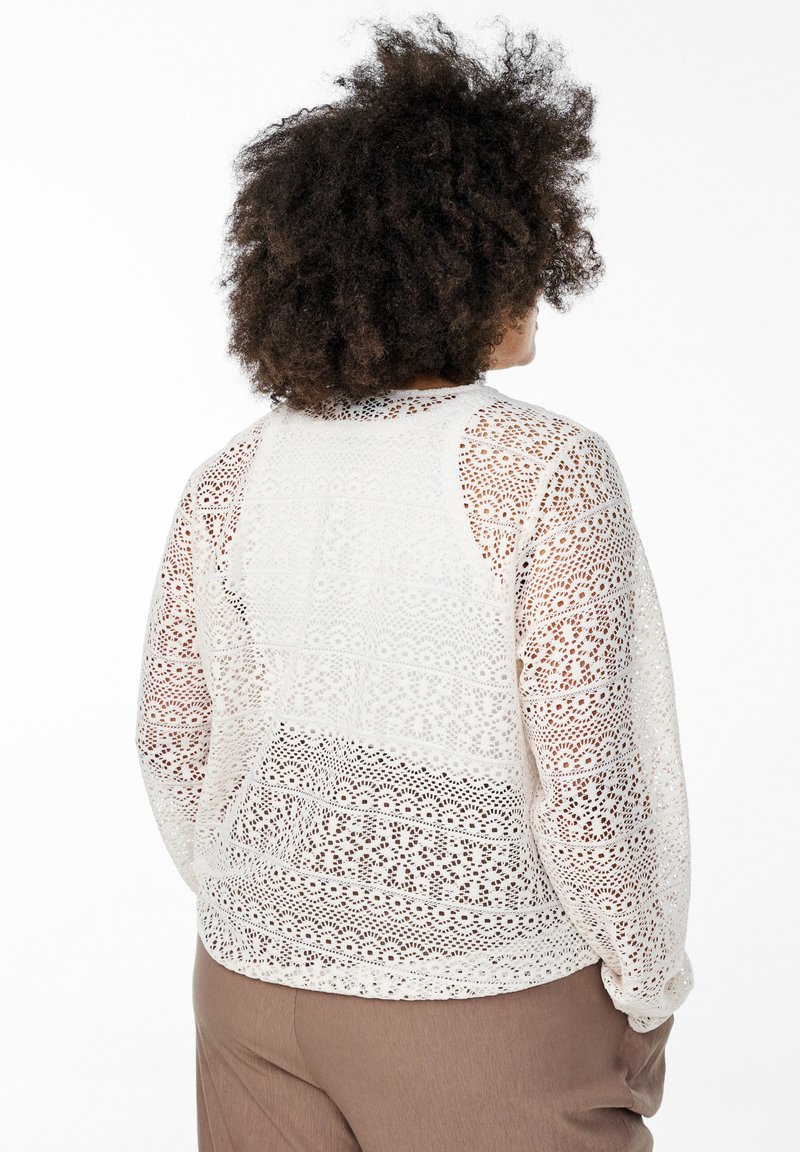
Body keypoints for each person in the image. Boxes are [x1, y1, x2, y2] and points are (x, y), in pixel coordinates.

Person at [135, 15, 693, 1151]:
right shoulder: (544, 468)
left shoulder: (229, 479)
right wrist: (646, 985)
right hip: (479, 1003)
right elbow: (586, 780)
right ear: (466, 261)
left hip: (247, 988)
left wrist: (276, 905)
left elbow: (172, 739)